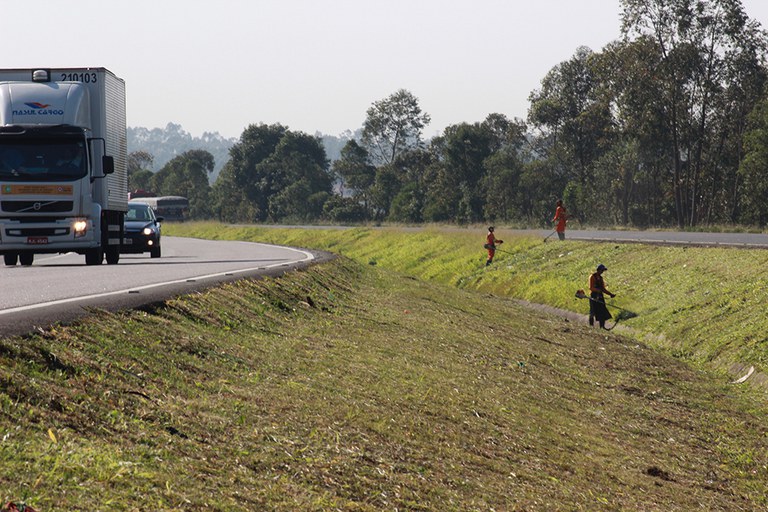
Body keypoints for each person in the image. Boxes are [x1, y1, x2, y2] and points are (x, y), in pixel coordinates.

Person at [588, 263, 616, 329]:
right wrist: (598, 291)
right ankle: (591, 326)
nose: (602, 272)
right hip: (593, 296)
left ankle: (602, 327)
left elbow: (603, 289)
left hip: (600, 296)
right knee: (593, 311)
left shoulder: (600, 278)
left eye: (603, 270)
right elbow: (591, 288)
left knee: (602, 311)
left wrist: (610, 294)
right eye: (601, 270)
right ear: (598, 270)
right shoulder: (592, 277)